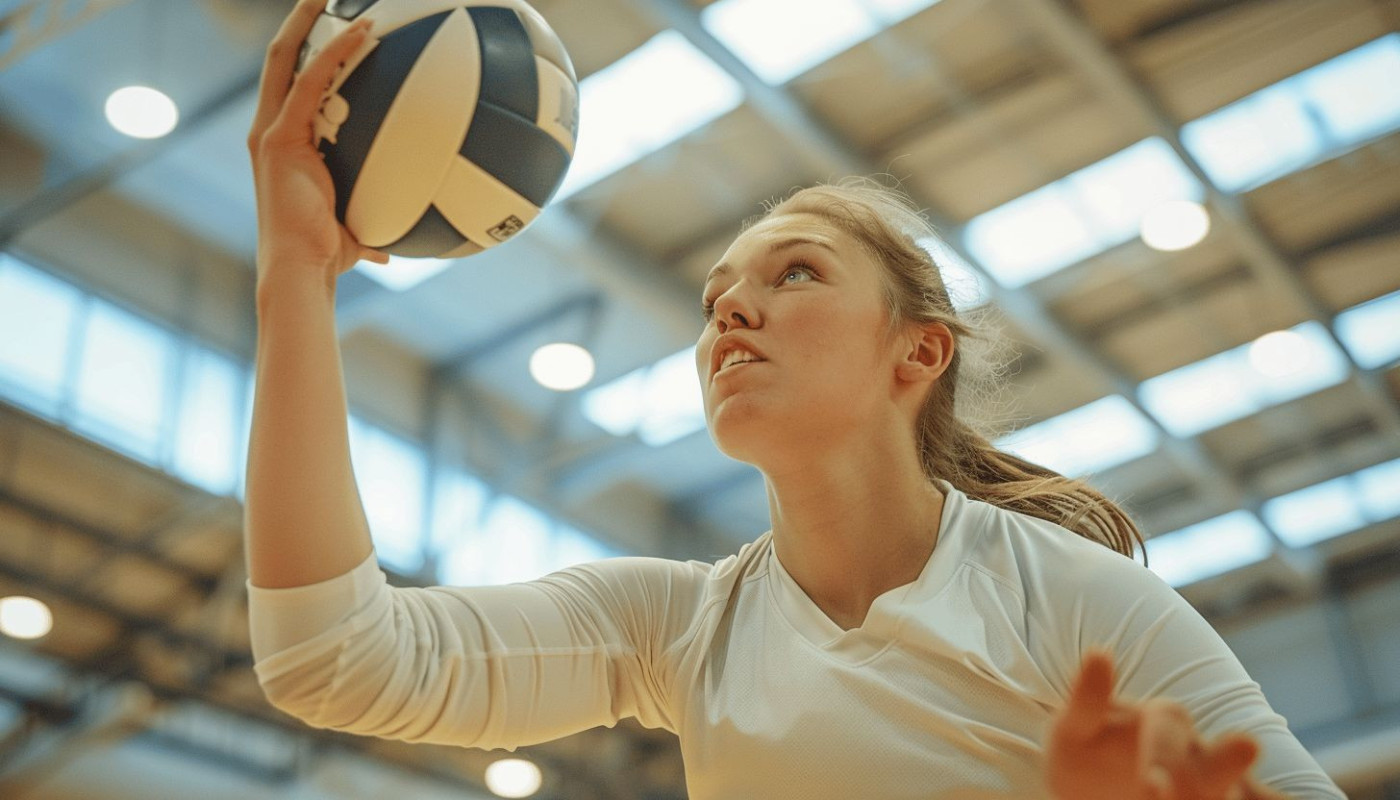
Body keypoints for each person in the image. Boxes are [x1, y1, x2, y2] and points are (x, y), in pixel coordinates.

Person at [242, 2, 1348, 798]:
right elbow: (333, 657)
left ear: (916, 351)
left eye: (796, 273)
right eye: (715, 294)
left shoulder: (1075, 601)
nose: (728, 311)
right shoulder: (672, 626)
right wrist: (297, 268)